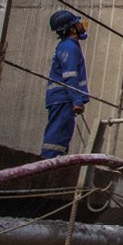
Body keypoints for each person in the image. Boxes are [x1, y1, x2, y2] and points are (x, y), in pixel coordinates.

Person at [43, 9, 90, 159]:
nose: (82, 25)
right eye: (78, 23)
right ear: (72, 29)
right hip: (63, 98)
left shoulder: (67, 46)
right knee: (57, 136)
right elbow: (70, 76)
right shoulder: (69, 47)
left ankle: (54, 162)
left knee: (62, 136)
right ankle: (47, 164)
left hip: (62, 99)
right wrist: (77, 100)